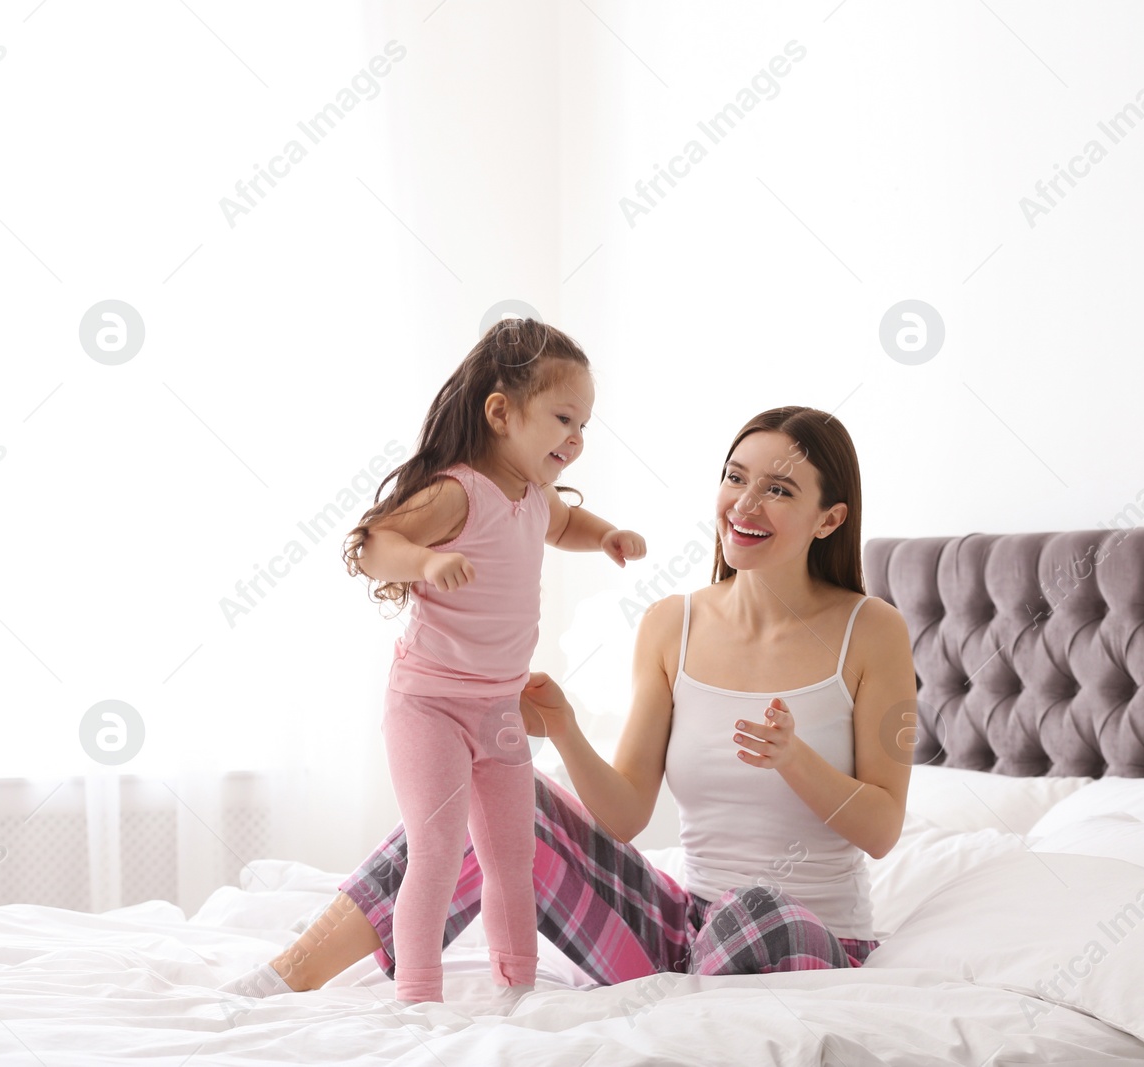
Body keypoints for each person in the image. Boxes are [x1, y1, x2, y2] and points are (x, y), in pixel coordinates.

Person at [221, 405, 915, 1001]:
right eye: (735, 477)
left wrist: (795, 758)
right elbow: (626, 815)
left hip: (809, 936)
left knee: (754, 907)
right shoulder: (673, 624)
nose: (744, 502)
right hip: (676, 930)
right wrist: (563, 728)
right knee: (500, 796)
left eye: (778, 489)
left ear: (830, 518)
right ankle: (292, 973)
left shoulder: (872, 631)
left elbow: (883, 828)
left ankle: (683, 1010)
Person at [263, 317, 644, 1005]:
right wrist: (428, 560)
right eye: (563, 417)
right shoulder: (457, 490)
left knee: (511, 857)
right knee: (435, 851)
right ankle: (417, 996)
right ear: (501, 411)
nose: (577, 438)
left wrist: (608, 535)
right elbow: (376, 542)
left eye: (584, 424)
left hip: (497, 708)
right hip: (429, 705)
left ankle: (517, 987)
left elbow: (567, 526)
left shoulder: (534, 498)